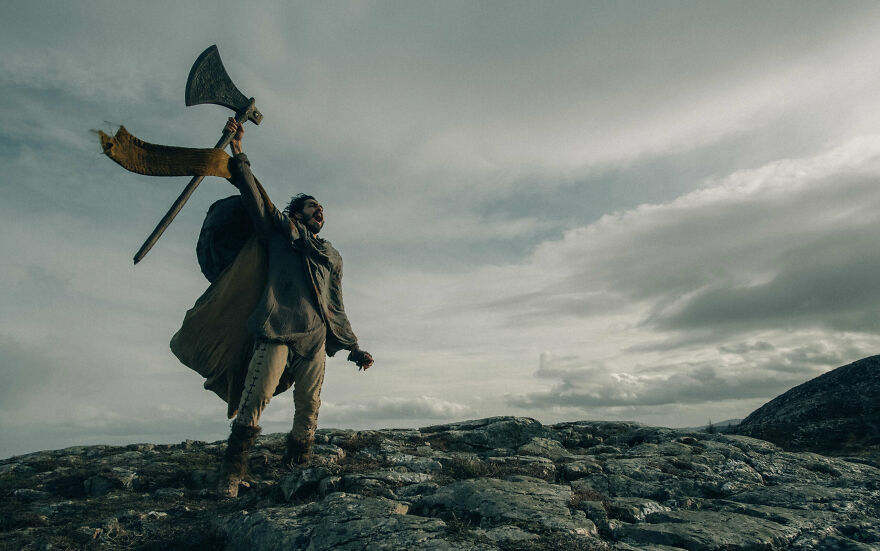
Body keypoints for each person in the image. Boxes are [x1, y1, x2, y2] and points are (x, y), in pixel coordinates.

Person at [217, 118, 373, 498]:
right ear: (297, 212)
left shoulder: (330, 255)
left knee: (309, 407)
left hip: (314, 339)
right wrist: (239, 151)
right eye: (312, 206)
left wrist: (353, 347)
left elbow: (335, 302)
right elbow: (255, 197)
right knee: (255, 398)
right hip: (277, 328)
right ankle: (231, 476)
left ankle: (296, 470)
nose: (319, 211)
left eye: (322, 209)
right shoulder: (278, 232)